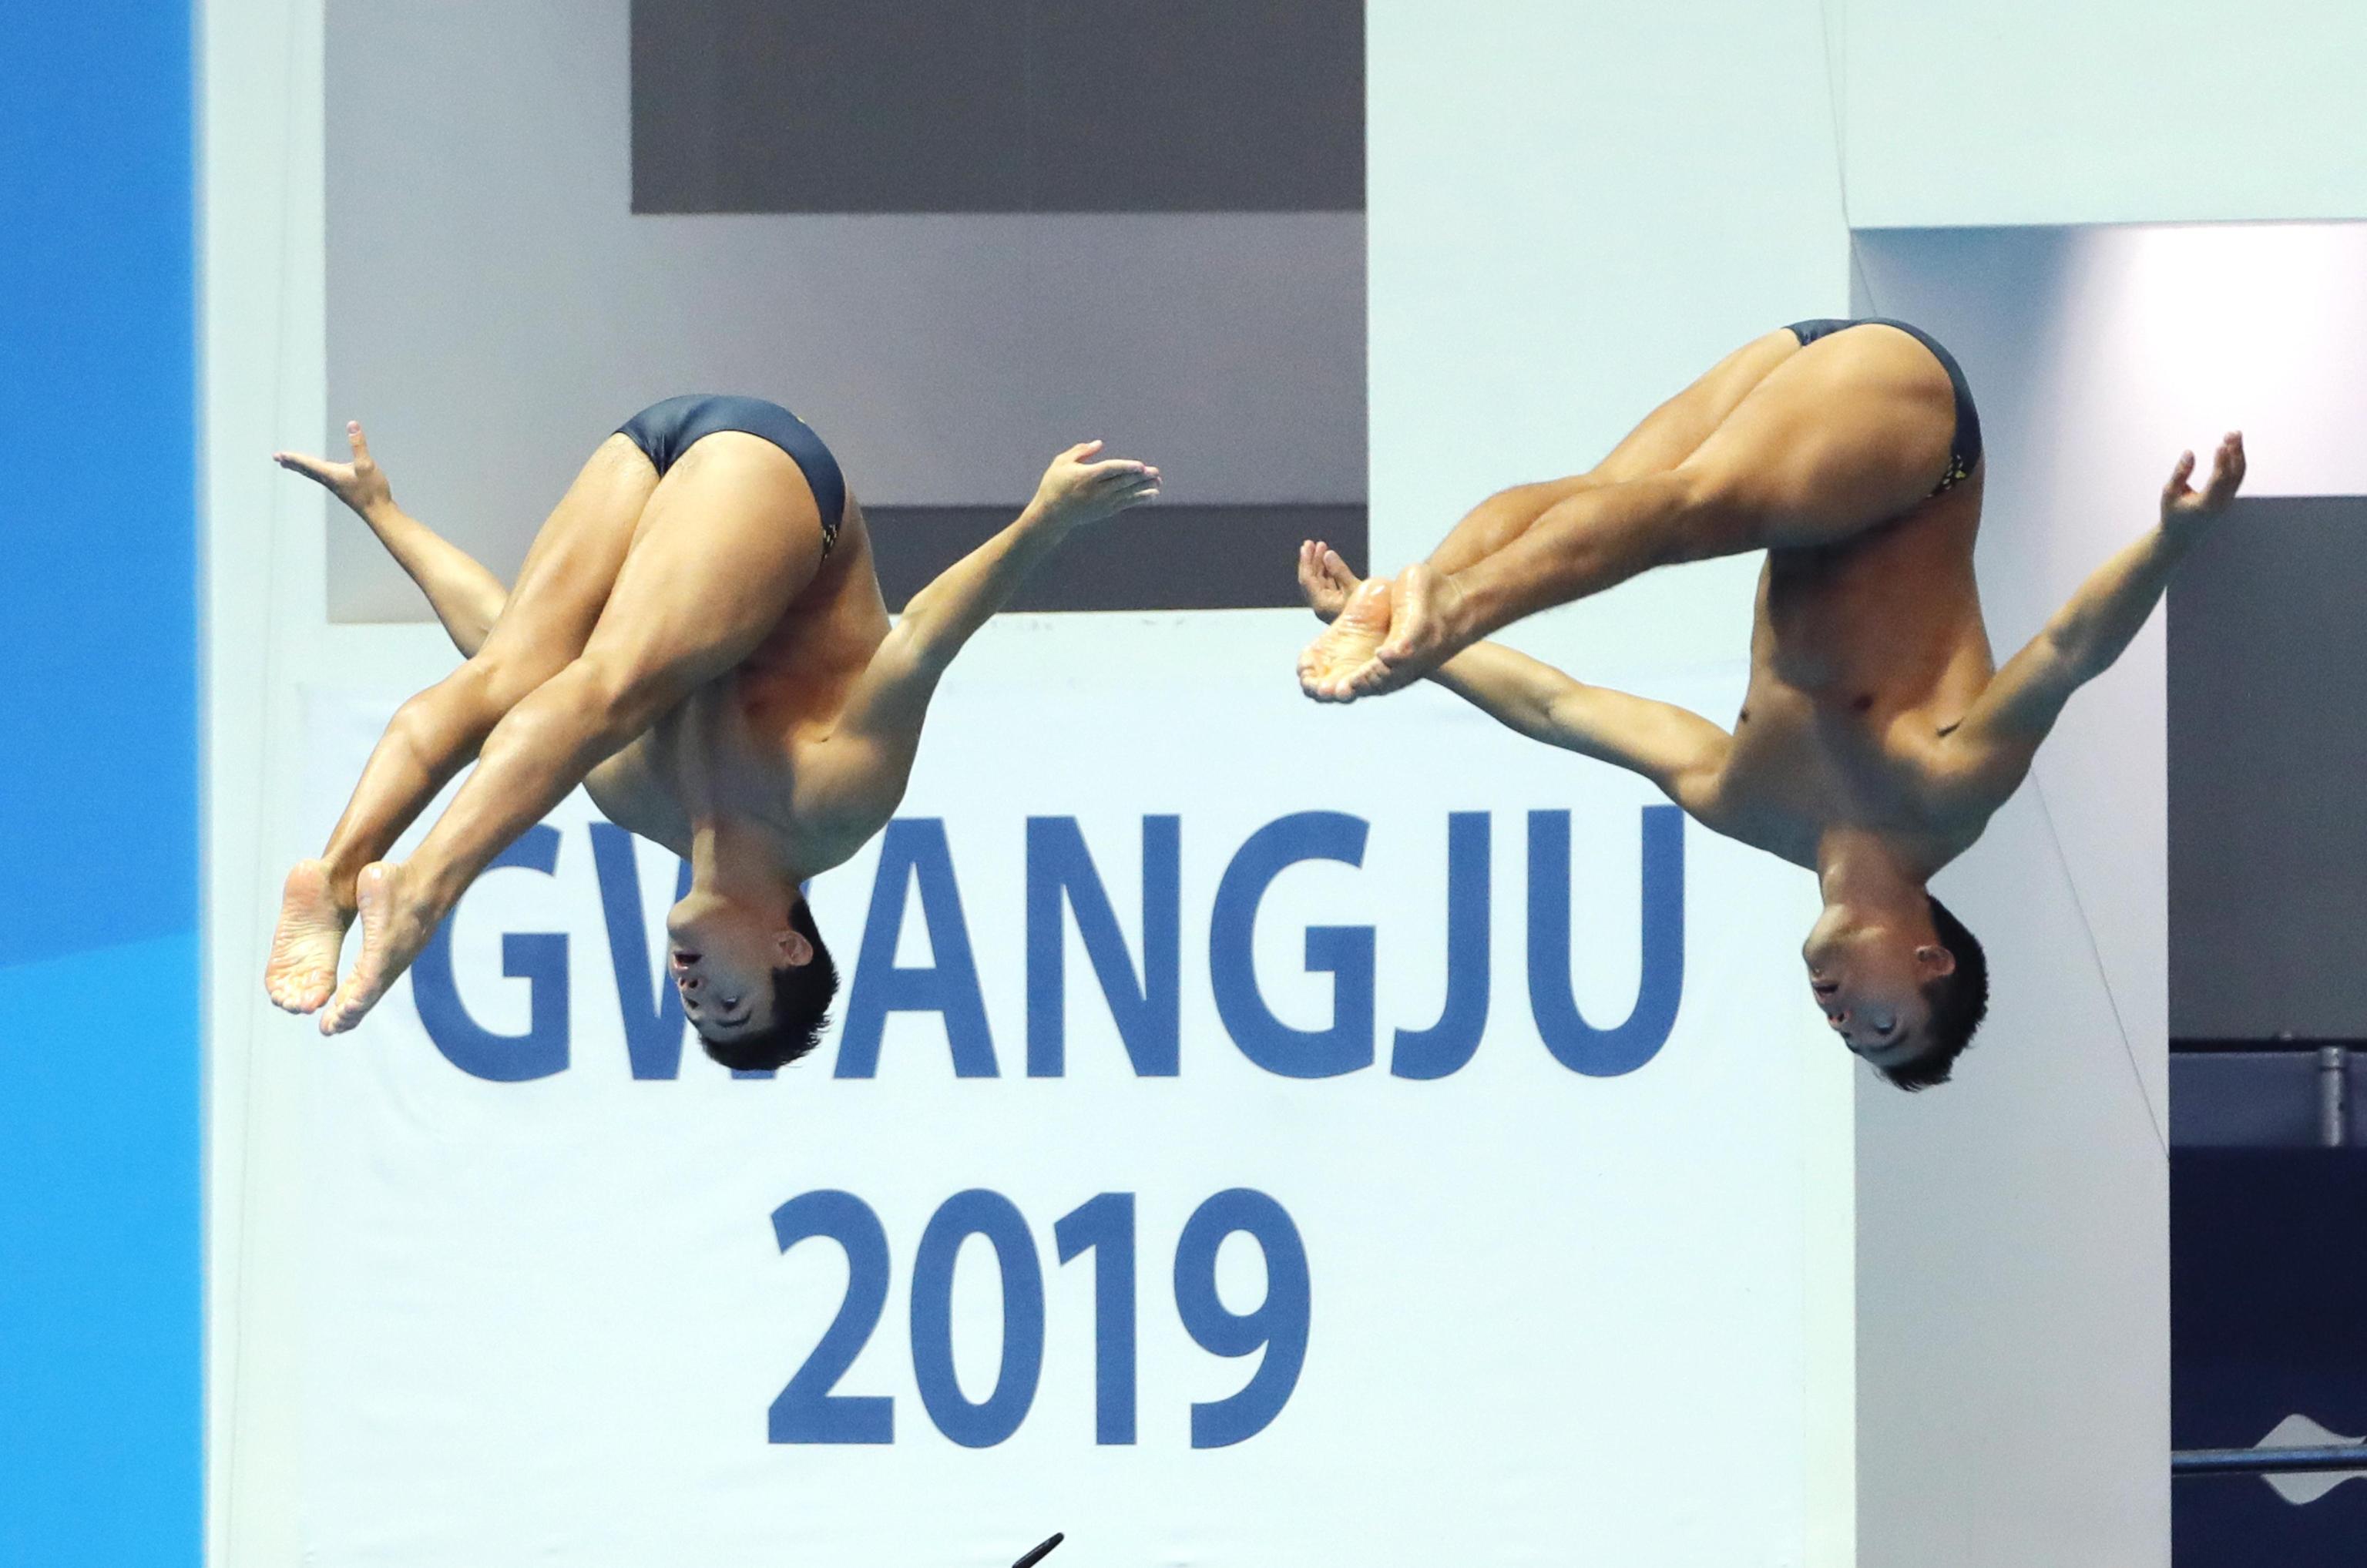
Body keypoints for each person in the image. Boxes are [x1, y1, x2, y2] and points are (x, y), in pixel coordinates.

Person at [1295, 319, 2246, 1087]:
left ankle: (1402, 600)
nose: (1838, 1014)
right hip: (1912, 435)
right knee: (1692, 508)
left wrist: (1407, 658)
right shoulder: (1947, 792)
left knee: (1605, 497)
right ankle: (1448, 604)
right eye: (1878, 1023)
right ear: (1930, 960)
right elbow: (2072, 652)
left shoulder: (1748, 804)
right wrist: (2171, 544)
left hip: (1794, 397)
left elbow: (1557, 706)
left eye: (1843, 1034)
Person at [265, 397, 1159, 1066]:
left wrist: (388, 516)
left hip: (648, 447)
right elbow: (921, 638)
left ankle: (338, 876)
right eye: (728, 1002)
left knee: (504, 677)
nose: (692, 990)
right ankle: (418, 893)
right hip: (773, 477)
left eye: (694, 1009)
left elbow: (495, 631)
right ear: (787, 946)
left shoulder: (633, 799)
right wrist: (1042, 525)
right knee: (597, 690)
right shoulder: (832, 806)